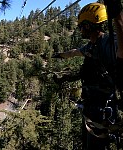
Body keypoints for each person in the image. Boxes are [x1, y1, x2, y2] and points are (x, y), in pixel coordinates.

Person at [52, 1, 123, 150]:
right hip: (91, 107)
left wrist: (118, 18)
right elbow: (75, 52)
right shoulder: (92, 45)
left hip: (104, 109)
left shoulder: (108, 42)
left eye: (81, 26)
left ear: (88, 25)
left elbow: (121, 52)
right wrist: (60, 55)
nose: (79, 29)